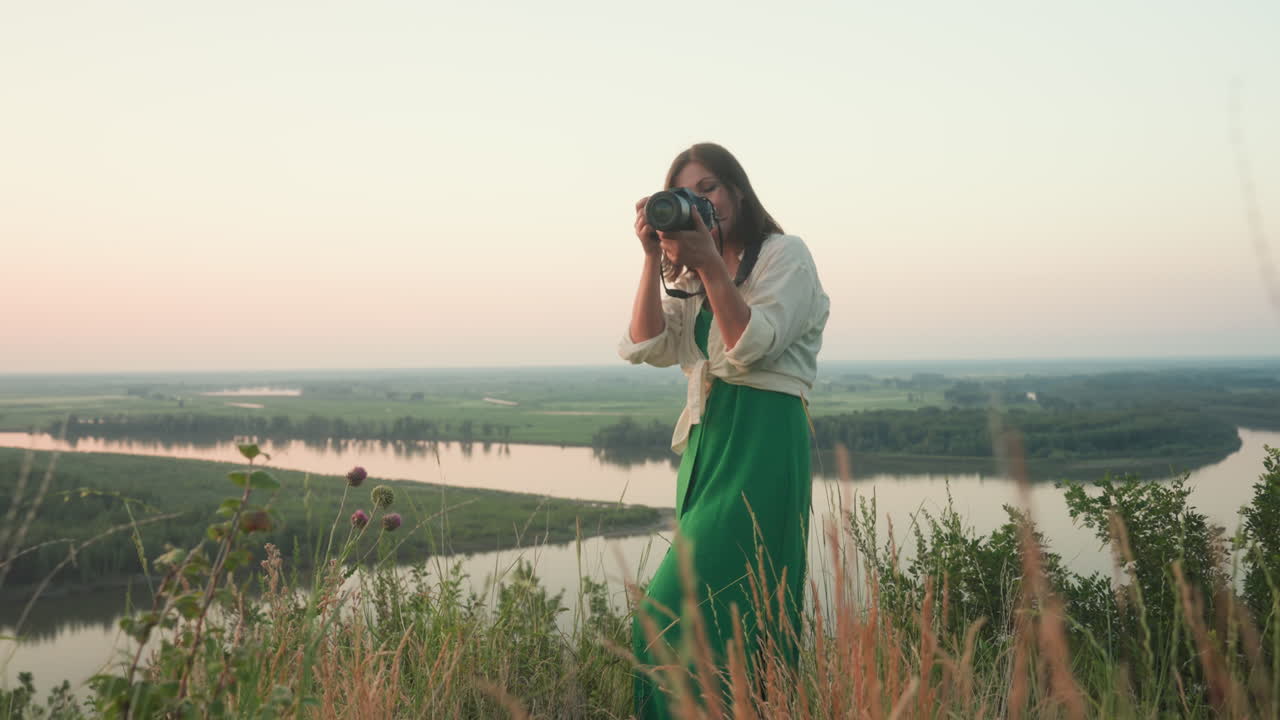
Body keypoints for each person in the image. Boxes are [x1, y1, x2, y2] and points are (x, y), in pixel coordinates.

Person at [619, 142, 830, 717]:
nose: (700, 199)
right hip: (710, 441)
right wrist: (650, 257)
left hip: (762, 439)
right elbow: (646, 343)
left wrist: (708, 261)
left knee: (678, 611)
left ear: (738, 191)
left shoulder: (785, 256)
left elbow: (748, 344)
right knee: (697, 620)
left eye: (709, 187)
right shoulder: (689, 275)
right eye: (686, 192)